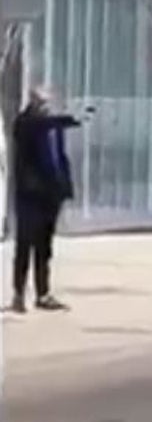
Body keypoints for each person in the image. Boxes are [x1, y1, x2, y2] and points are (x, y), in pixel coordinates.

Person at [10, 88, 80, 313]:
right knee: (24, 246)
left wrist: (64, 188)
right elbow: (36, 127)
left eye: (48, 103)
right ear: (33, 103)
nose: (45, 107)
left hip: (51, 196)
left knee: (44, 248)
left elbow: (60, 158)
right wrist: (70, 119)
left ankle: (43, 293)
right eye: (41, 103)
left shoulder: (53, 128)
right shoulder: (26, 124)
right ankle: (19, 294)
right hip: (30, 196)